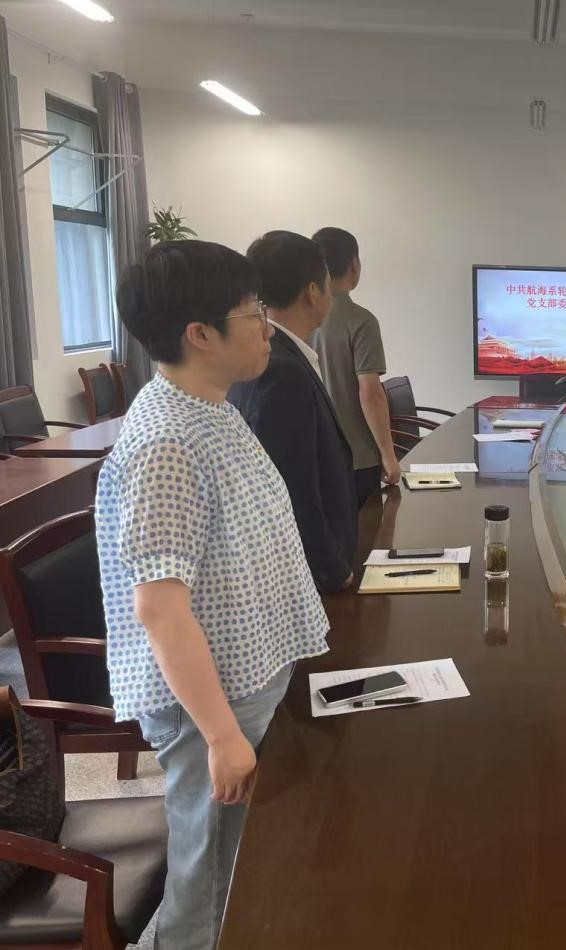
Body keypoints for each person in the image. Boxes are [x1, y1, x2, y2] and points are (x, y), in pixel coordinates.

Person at [96, 240, 329, 950]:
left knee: (238, 865)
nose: (267, 325)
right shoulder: (166, 442)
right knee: (209, 876)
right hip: (211, 705)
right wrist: (223, 736)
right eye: (253, 312)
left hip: (247, 678)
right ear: (201, 334)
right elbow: (160, 608)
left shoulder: (212, 408)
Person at [229, 230, 358, 593]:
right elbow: (293, 490)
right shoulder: (280, 370)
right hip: (308, 580)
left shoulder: (274, 356)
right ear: (312, 292)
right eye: (328, 285)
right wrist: (333, 570)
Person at [310, 227, 401, 506]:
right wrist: (388, 454)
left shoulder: (299, 319)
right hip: (357, 456)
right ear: (354, 265)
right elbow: (370, 394)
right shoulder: (361, 321)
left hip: (313, 453)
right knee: (366, 526)